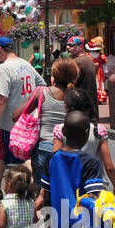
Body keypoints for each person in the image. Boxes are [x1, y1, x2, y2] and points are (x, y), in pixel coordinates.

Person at [0, 38, 46, 200]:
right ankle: (32, 185)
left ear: (0, 49)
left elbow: (2, 99)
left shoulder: (4, 68)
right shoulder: (26, 64)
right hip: (28, 120)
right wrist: (29, 103)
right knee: (26, 155)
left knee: (0, 154)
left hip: (9, 122)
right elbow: (41, 85)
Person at [54, 88, 115, 192]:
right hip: (96, 185)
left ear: (66, 107)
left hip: (69, 185)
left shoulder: (59, 129)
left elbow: (55, 160)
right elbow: (109, 167)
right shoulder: (98, 130)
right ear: (87, 110)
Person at [31, 58, 78, 193]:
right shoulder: (76, 96)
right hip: (68, 148)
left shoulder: (42, 92)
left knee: (40, 193)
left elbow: (17, 114)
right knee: (63, 193)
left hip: (44, 146)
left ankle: (38, 214)